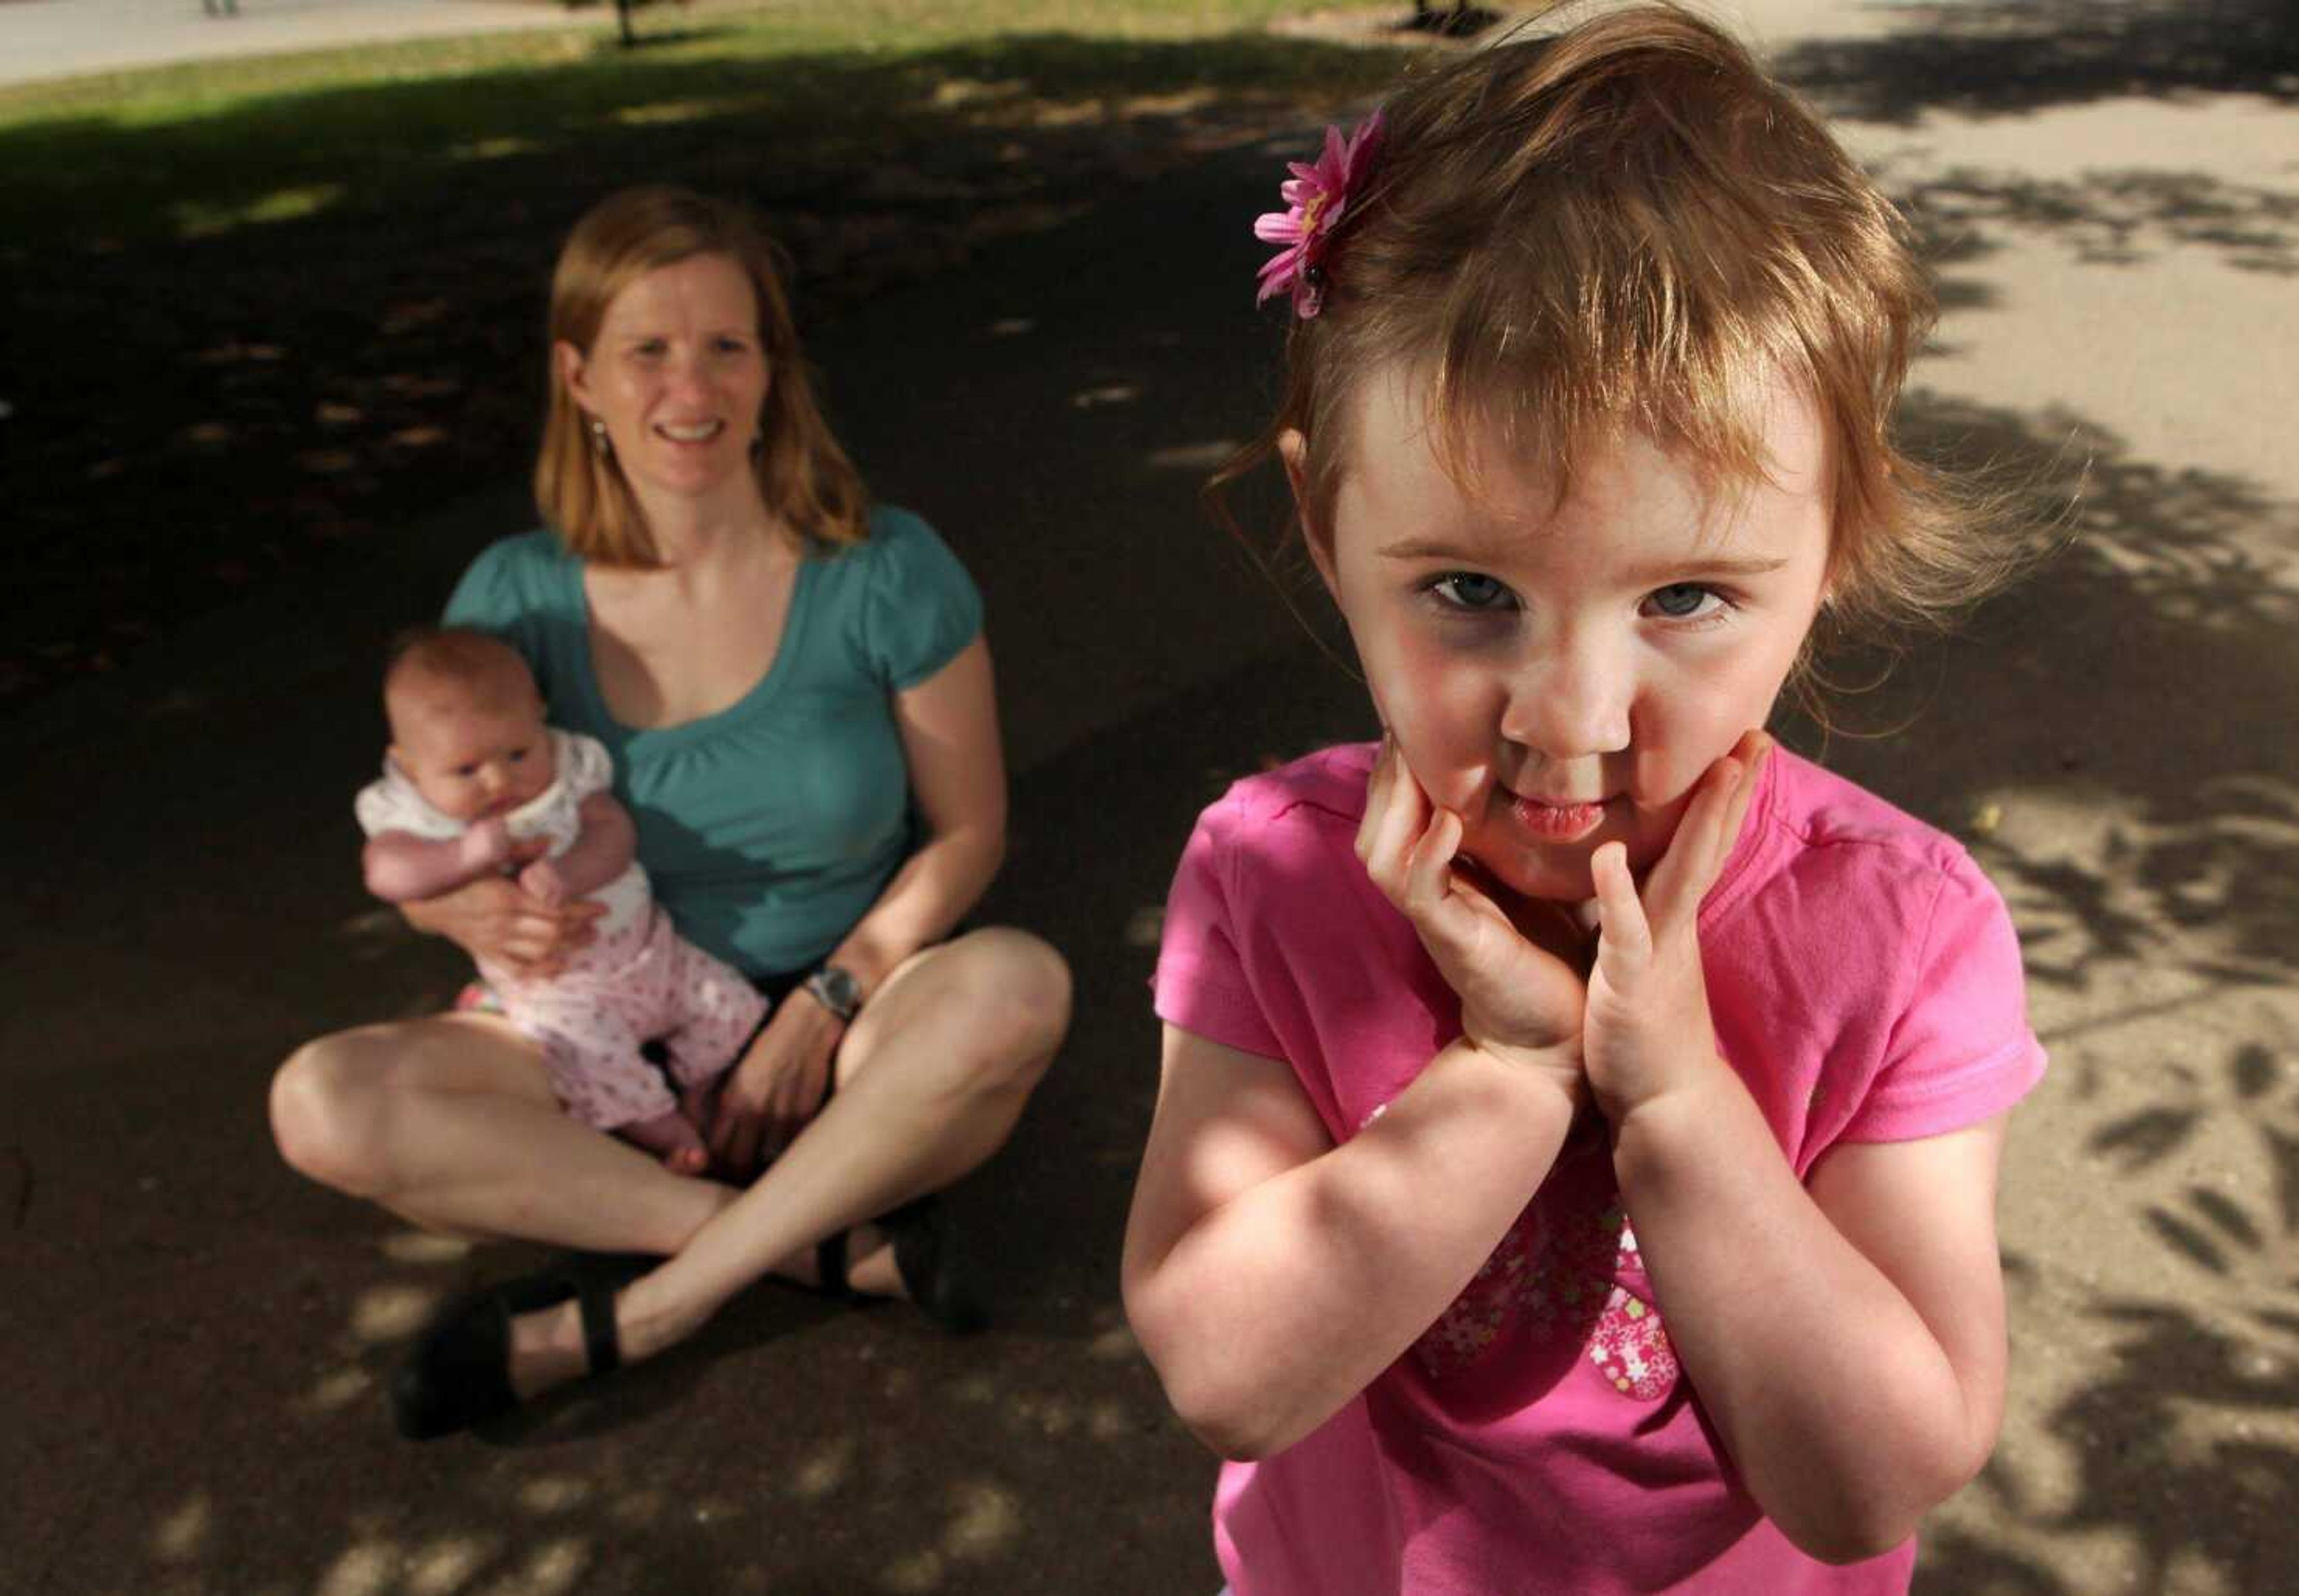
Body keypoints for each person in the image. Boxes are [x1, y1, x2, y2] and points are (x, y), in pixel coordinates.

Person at [1121, 8, 2045, 1593]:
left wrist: (1679, 1098)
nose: (1570, 713)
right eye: (1469, 587)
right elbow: (1227, 1373)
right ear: (1323, 524)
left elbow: (1869, 1482)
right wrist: (1512, 1065)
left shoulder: (1904, 936)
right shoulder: (1269, 873)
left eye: (1684, 595)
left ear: (1830, 554)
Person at [270, 185, 1071, 1439]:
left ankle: (635, 1309)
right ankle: (821, 1241)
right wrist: (467, 915)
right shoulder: (511, 600)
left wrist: (833, 997)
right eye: (646, 350)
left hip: (842, 1043)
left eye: (725, 346)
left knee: (1018, 986)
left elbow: (969, 833)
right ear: (579, 377)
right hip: (585, 1036)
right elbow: (437, 832)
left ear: (772, 369)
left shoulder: (885, 569)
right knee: (320, 1102)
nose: (687, 388)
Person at [356, 628, 763, 1174]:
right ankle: (656, 1125)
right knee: (589, 1053)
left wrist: (570, 872)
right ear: (408, 765)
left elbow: (613, 831)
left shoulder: (569, 769)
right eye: (467, 769)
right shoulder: (415, 811)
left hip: (654, 954)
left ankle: (702, 1084)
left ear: (540, 718)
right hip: (558, 986)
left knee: (726, 1002)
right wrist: (464, 855)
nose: (500, 779)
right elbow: (387, 872)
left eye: (518, 752)